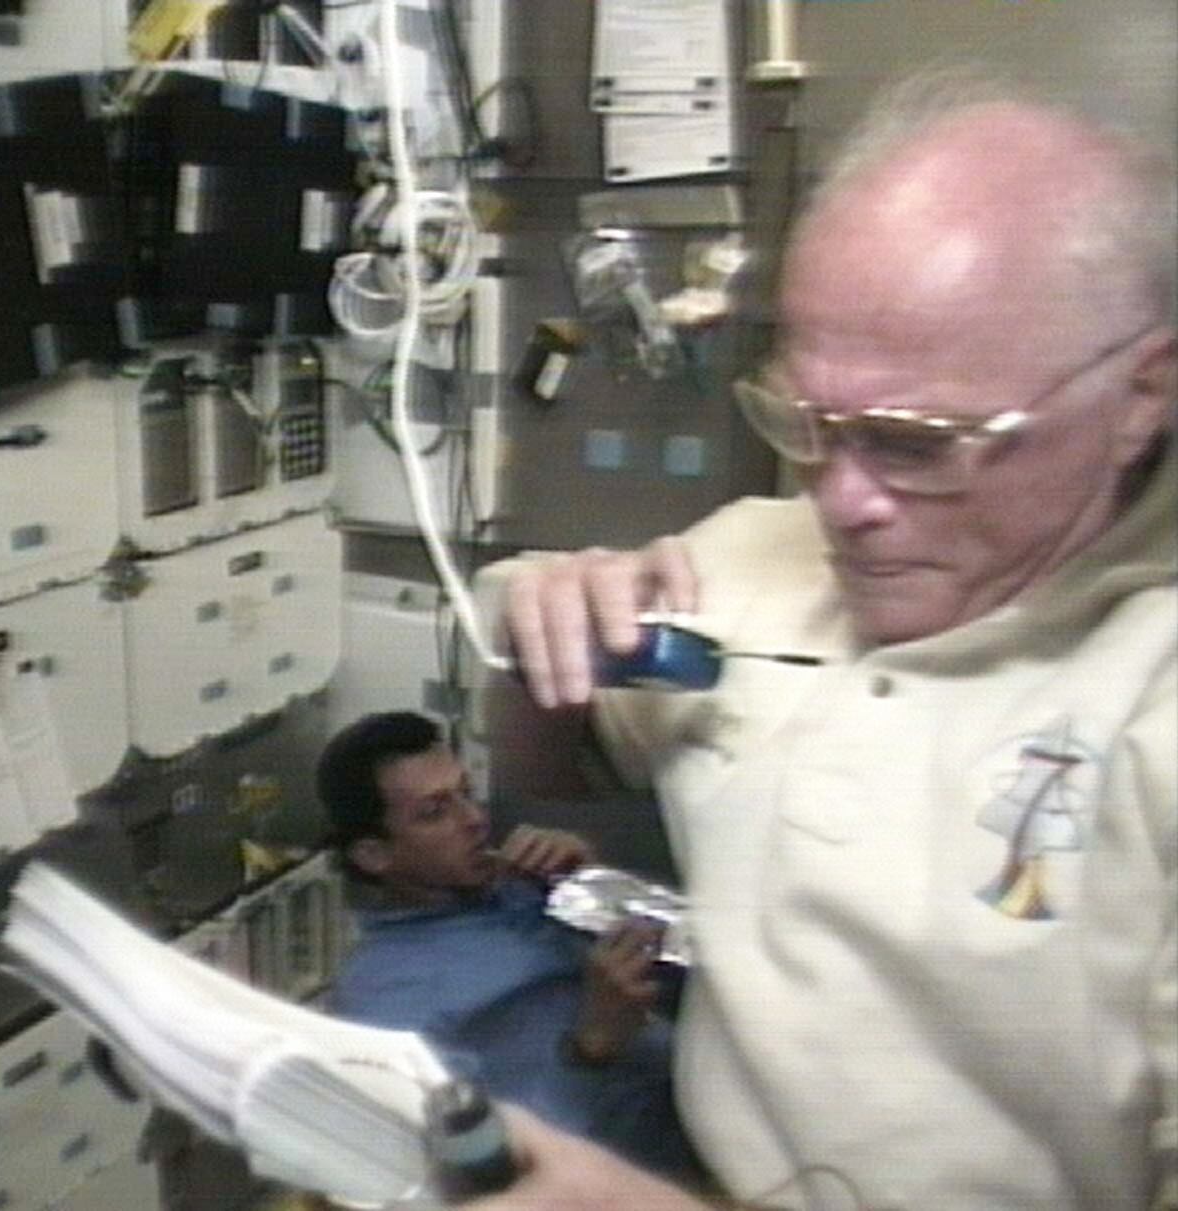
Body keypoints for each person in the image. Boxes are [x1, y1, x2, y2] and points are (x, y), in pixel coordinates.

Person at [471, 78, 1178, 1210]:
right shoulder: (753, 555)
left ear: (1141, 394)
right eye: (805, 423)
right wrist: (544, 632)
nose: (840, 502)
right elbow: (547, 772)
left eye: (914, 442)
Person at [316, 710, 701, 1179]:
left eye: (467, 793)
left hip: (702, 1109)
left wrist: (594, 886)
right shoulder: (383, 1003)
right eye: (436, 812)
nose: (476, 820)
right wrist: (590, 1049)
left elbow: (685, 959)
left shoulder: (518, 889)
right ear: (374, 854)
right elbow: (476, 1175)